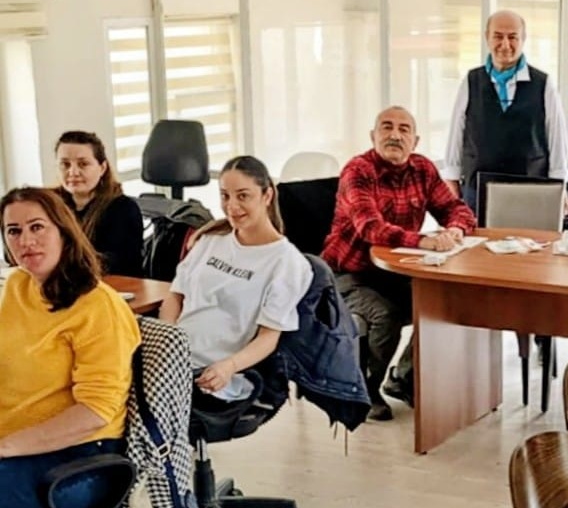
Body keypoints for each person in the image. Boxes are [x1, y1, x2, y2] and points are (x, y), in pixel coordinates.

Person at [0, 187, 140, 508]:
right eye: (13, 231)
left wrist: (6, 445)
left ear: (64, 230)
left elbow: (95, 411)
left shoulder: (98, 306)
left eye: (37, 227)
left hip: (80, 460)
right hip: (18, 447)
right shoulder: (18, 286)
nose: (26, 241)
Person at [323, 106, 477, 421]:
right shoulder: (358, 171)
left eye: (404, 129)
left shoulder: (422, 169)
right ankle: (363, 391)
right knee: (387, 315)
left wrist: (455, 229)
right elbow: (371, 228)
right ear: (373, 136)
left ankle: (403, 379)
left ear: (415, 141)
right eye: (387, 127)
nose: (395, 135)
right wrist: (422, 241)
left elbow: (456, 208)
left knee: (440, 302)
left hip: (392, 270)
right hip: (347, 273)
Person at [159, 156, 312, 405]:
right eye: (225, 196)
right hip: (171, 360)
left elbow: (268, 338)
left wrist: (229, 366)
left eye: (243, 196)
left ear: (267, 196)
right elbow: (175, 296)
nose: (231, 206)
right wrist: (167, 343)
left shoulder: (288, 263)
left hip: (215, 374)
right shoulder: (209, 241)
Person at [442, 10, 568, 211]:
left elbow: (556, 135)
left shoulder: (543, 84)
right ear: (487, 37)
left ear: (523, 39)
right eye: (498, 36)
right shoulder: (471, 80)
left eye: (512, 37)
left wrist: (559, 183)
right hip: (477, 187)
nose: (505, 44)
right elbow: (457, 130)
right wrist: (451, 177)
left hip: (530, 187)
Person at [53, 130, 143, 277]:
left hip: (111, 285)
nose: (73, 172)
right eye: (65, 164)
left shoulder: (123, 209)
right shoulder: (51, 205)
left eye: (83, 164)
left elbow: (115, 264)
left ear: (102, 168)